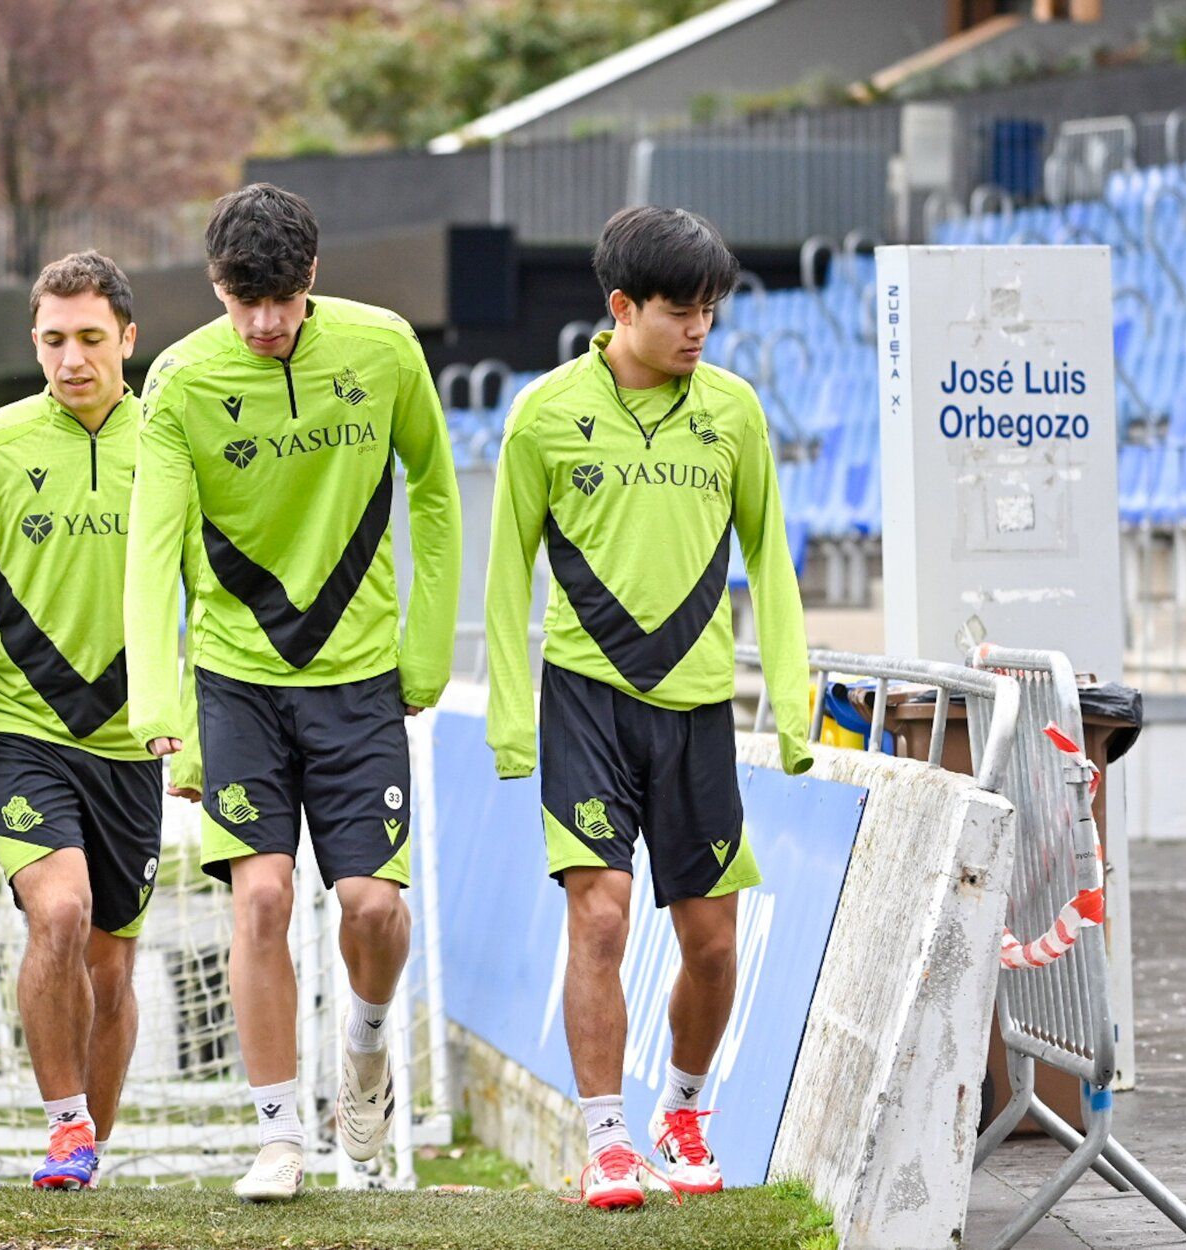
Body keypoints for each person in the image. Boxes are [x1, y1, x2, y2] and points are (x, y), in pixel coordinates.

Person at [123, 183, 461, 1202]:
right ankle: (276, 1133)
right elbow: (151, 549)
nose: (264, 323)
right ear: (216, 287)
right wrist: (159, 702)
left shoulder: (385, 348)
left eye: (281, 298)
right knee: (260, 895)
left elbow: (436, 492)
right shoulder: (178, 380)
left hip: (359, 680)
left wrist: (424, 650)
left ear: (312, 278)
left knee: (370, 906)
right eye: (241, 300)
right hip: (235, 681)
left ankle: (362, 1048)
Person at [483, 206, 812, 1209]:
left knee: (710, 942)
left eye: (710, 309)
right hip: (583, 700)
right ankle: (606, 1138)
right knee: (600, 914)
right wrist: (507, 719)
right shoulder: (541, 413)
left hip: (698, 711)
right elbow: (506, 575)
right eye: (679, 311)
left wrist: (791, 705)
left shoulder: (733, 411)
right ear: (620, 307)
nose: (698, 329)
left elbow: (772, 559)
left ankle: (680, 1105)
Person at [0, 250, 198, 1190]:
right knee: (63, 910)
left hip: (131, 743)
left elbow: (206, 595)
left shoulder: (170, 439)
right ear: (32, 343)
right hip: (20, 729)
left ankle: (89, 1155)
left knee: (114, 967)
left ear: (128, 338)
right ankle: (65, 1124)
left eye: (89, 338)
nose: (71, 359)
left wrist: (189, 726)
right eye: (51, 340)